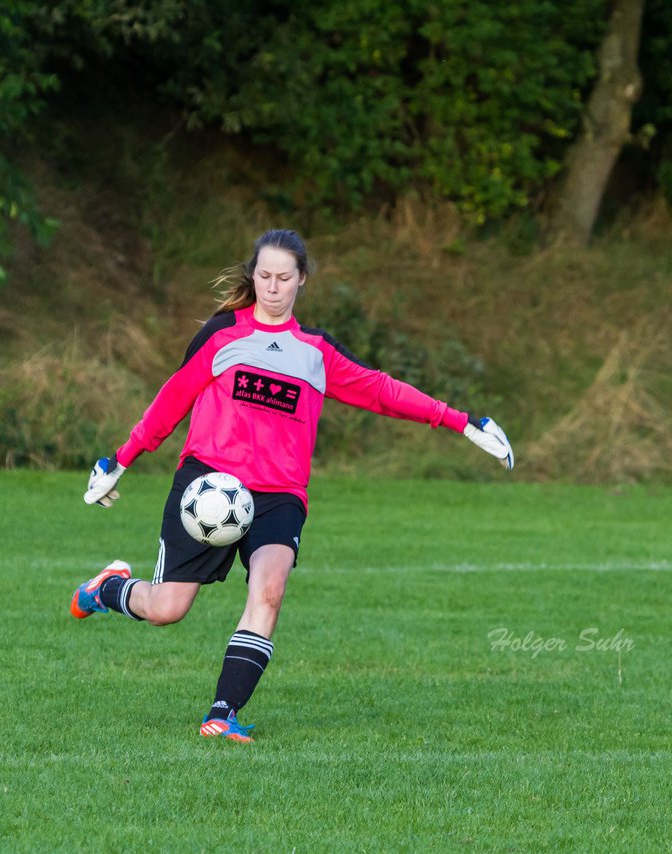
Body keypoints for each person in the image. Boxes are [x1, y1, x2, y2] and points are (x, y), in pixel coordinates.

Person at [70, 228, 514, 743]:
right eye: (264, 276)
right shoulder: (221, 337)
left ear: (302, 280)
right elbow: (172, 400)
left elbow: (382, 391)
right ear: (252, 275)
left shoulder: (316, 353)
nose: (273, 287)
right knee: (167, 609)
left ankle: (223, 711)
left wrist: (460, 421)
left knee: (270, 590)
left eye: (284, 278)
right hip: (210, 484)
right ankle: (108, 588)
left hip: (279, 494)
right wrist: (120, 459)